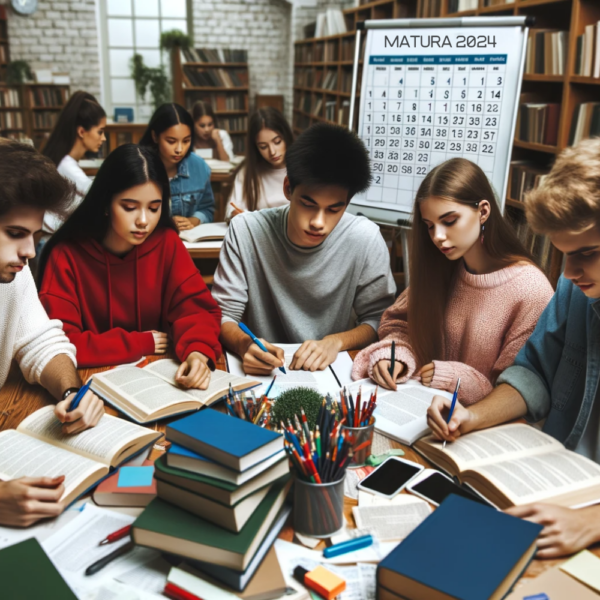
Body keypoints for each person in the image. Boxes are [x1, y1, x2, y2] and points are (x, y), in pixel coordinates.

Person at [427, 139, 600, 558]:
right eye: (561, 256)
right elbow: (533, 373)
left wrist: (592, 522)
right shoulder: (572, 289)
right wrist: (472, 416)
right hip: (551, 484)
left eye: (587, 254)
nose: (568, 273)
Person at [352, 158, 553, 405]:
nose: (437, 236)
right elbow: (401, 324)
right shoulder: (442, 265)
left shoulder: (530, 289)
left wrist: (454, 377)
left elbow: (516, 390)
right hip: (418, 408)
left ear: (483, 212)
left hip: (480, 429)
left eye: (449, 221)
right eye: (429, 226)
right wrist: (395, 355)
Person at [212, 123, 396, 375]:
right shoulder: (246, 231)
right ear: (288, 188)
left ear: (348, 202)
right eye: (308, 204)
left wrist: (336, 341)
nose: (318, 222)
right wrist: (245, 345)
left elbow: (379, 320)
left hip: (330, 372)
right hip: (262, 374)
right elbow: (222, 316)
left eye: (334, 209)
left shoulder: (364, 238)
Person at [38, 144, 222, 388]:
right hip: (87, 385)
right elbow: (58, 344)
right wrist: (139, 343)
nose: (144, 221)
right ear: (105, 203)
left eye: (154, 208)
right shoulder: (67, 255)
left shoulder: (167, 244)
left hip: (160, 382)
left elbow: (197, 311)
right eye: (129, 207)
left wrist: (197, 351)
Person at [0, 140, 104, 527]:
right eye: (14, 233)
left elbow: (40, 340)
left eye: (34, 236)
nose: (29, 252)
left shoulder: (12, 272)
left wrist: (71, 391)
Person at [41, 91, 107, 237]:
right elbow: (96, 192)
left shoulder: (65, 162)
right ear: (82, 131)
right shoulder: (65, 165)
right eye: (100, 132)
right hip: (50, 244)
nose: (104, 138)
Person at [139, 103, 214, 230]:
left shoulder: (199, 166)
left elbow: (207, 208)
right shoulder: (139, 165)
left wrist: (193, 220)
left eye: (186, 141)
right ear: (155, 136)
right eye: (171, 141)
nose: (179, 149)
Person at [225, 107, 293, 220]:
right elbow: (231, 208)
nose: (272, 152)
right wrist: (234, 214)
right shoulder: (248, 172)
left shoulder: (303, 167)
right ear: (255, 148)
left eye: (277, 142)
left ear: (286, 137)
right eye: (263, 147)